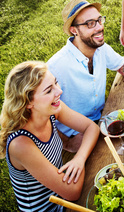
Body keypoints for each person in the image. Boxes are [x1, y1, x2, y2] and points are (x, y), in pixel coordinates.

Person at [48, 0, 124, 152]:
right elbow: (39, 112)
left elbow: (123, 65)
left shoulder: (100, 48)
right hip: (76, 137)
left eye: (99, 20)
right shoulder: (55, 67)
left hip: (103, 122)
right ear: (74, 30)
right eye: (90, 23)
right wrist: (66, 143)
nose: (99, 27)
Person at [0, 61, 100, 211]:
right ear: (28, 103)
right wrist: (79, 159)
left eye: (56, 83)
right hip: (51, 207)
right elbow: (72, 192)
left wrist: (79, 159)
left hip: (63, 188)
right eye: (48, 91)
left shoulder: (51, 109)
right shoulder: (20, 144)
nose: (59, 91)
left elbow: (92, 127)